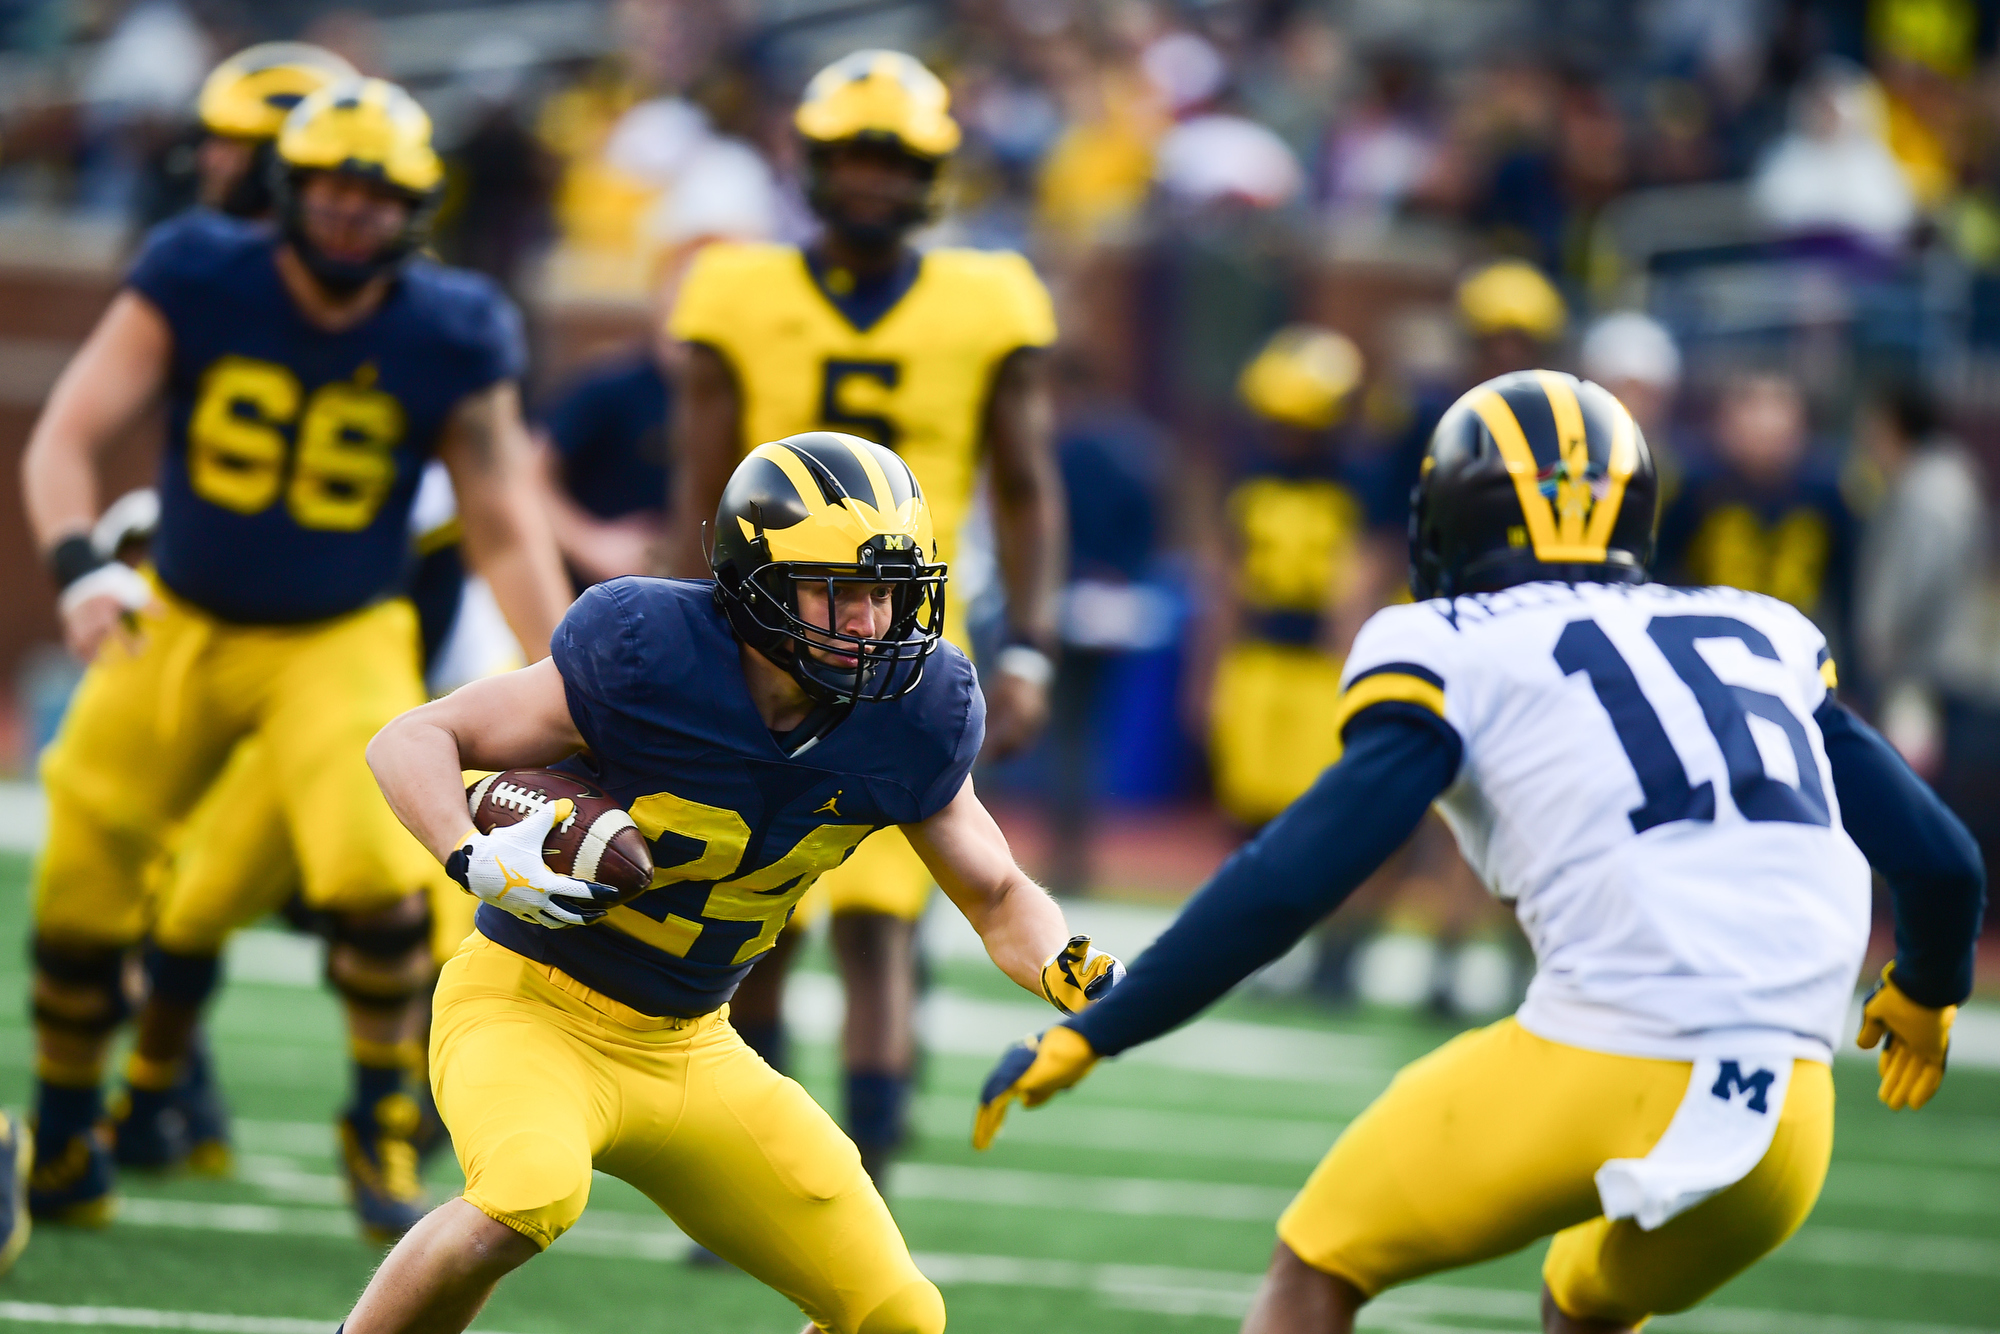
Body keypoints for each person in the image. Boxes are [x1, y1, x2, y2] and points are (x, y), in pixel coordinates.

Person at [974, 369, 1986, 1334]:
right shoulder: (1759, 632)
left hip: (1607, 1055)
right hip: (1789, 1112)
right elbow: (1943, 862)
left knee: (1317, 1258)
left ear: (1456, 517)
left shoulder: (1451, 643)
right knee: (1585, 1297)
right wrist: (1928, 988)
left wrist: (1107, 1024)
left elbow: (1289, 877)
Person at [349, 431, 1120, 1334]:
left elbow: (997, 894)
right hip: (530, 1008)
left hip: (690, 1047)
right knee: (526, 1196)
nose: (869, 624)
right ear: (757, 584)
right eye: (839, 593)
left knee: (898, 1315)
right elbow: (412, 738)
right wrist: (467, 853)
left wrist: (1071, 966)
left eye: (886, 594)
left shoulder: (916, 714)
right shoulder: (649, 653)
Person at [20, 77, 571, 1237]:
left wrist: (571, 684)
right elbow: (67, 430)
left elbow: (505, 524)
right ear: (287, 187)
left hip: (338, 632)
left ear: (415, 208)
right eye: (328, 187)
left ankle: (378, 1122)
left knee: (377, 876)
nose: (349, 214)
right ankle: (67, 1131)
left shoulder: (450, 325)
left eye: (375, 195)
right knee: (80, 881)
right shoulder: (197, 269)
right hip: (179, 616)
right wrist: (78, 566)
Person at [665, 49, 1063, 1179]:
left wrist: (1029, 648)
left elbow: (1027, 487)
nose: (872, 180)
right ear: (811, 163)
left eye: (894, 160)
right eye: (852, 157)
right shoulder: (735, 289)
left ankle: (868, 1162)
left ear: (931, 174)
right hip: (759, 626)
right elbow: (696, 484)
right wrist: (684, 630)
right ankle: (744, 1158)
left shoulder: (988, 299)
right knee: (755, 905)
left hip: (908, 635)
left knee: (882, 913)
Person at [1196, 324, 1385, 829]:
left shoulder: (1360, 486)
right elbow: (1224, 584)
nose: (1288, 439)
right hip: (1257, 661)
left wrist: (1355, 675)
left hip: (1321, 666)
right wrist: (1208, 676)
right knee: (1246, 809)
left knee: (1317, 815)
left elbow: (1359, 586)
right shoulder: (1248, 480)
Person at [1656, 369, 1857, 651]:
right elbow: (1662, 576)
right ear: (1726, 425)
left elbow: (1847, 592)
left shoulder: (1826, 494)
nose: (1765, 429)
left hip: (1799, 644)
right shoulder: (1696, 488)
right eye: (1752, 415)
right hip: (1709, 643)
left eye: (1777, 422)